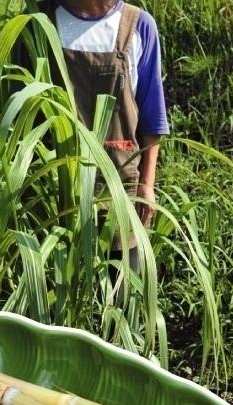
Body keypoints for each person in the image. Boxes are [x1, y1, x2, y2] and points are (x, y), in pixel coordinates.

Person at [21, 0, 169, 277]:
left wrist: (147, 185)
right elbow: (16, 109)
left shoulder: (138, 26)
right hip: (51, 194)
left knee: (123, 302)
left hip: (120, 187)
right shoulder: (38, 22)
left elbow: (152, 116)